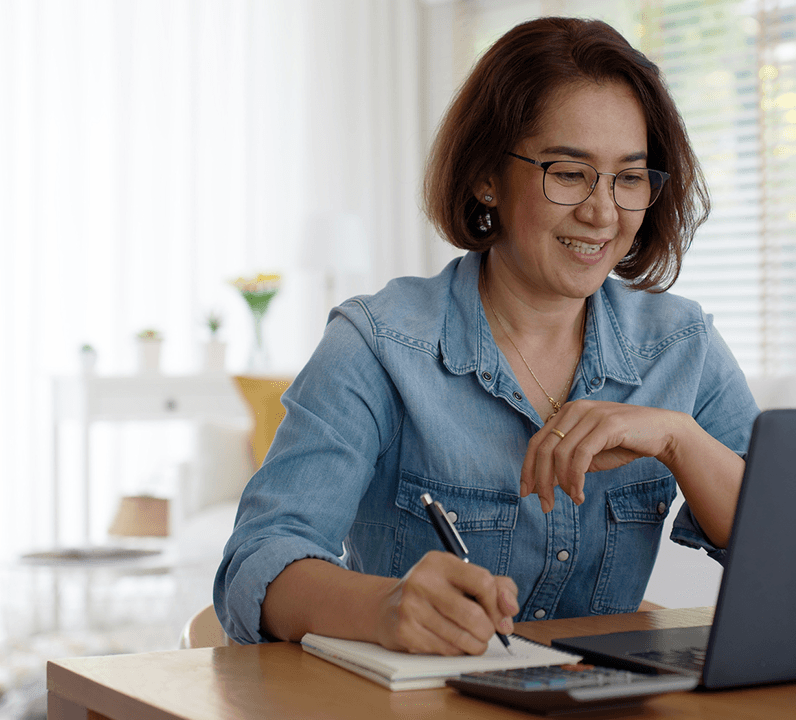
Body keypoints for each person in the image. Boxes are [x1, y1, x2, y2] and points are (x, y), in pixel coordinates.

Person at [214, 16, 759, 655]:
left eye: (629, 177)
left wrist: (677, 438)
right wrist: (386, 607)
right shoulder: (379, 345)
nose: (603, 211)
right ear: (486, 178)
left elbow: (795, 549)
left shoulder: (681, 344)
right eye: (568, 171)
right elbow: (258, 560)